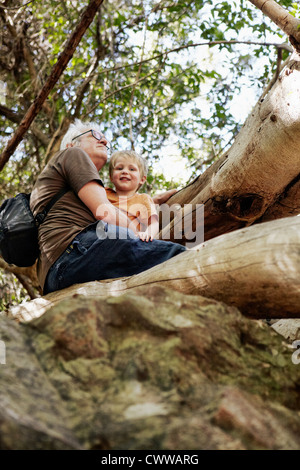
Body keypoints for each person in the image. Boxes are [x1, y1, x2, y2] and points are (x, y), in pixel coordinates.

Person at [30, 119, 186, 295]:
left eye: (105, 139)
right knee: (178, 258)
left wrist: (151, 202)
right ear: (71, 144)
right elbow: (106, 212)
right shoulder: (73, 154)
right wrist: (139, 237)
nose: (104, 141)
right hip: (72, 254)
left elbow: (116, 204)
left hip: (53, 274)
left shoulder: (70, 181)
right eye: (95, 135)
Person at [106, 150, 159, 242]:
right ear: (111, 177)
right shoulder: (104, 193)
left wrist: (147, 234)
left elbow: (153, 223)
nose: (125, 171)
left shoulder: (143, 199)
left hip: (129, 240)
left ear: (142, 179)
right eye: (119, 168)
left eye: (132, 169)